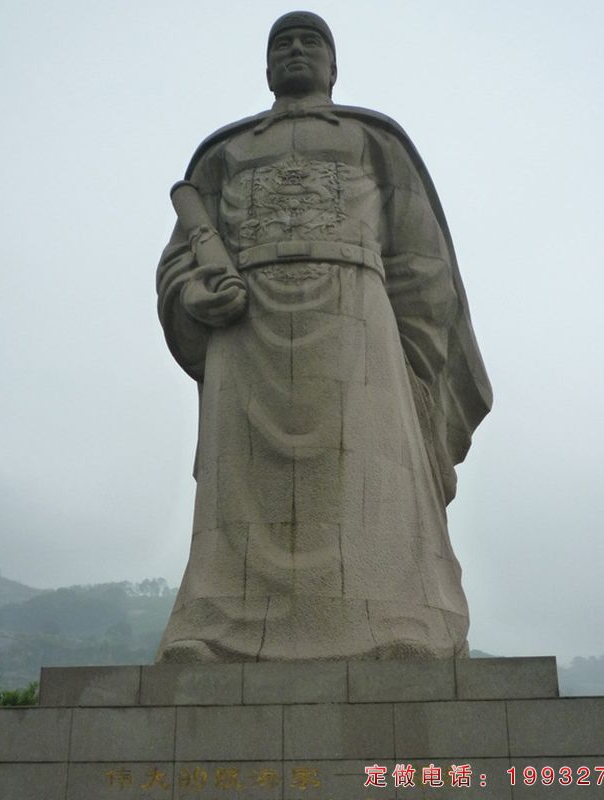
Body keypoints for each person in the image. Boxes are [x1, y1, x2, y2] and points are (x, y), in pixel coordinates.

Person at [155, 11, 492, 662]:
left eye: (311, 41)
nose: (296, 50)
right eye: (281, 43)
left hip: (358, 319)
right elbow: (181, 257)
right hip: (245, 327)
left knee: (372, 482)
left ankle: (398, 624)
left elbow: (420, 258)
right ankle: (216, 629)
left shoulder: (374, 139)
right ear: (266, 67)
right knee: (239, 486)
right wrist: (195, 295)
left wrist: (414, 359)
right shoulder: (223, 152)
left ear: (334, 66)